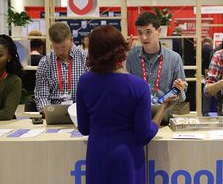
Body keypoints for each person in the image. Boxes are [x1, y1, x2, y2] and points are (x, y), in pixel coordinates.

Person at [76, 25, 178, 184]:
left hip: (97, 155)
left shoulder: (84, 82)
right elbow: (144, 135)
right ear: (120, 51)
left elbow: (84, 128)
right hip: (127, 158)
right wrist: (163, 108)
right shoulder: (138, 86)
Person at [126, 12, 187, 105]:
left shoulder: (174, 59)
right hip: (136, 114)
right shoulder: (131, 56)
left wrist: (178, 89)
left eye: (148, 32)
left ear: (159, 31)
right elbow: (122, 87)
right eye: (140, 33)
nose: (143, 37)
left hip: (163, 114)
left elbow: (181, 97)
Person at [34, 22, 88, 112]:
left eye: (63, 47)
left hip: (80, 110)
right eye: (56, 48)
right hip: (54, 111)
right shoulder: (45, 62)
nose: (60, 51)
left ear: (71, 40)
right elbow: (41, 95)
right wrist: (48, 112)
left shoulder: (85, 58)